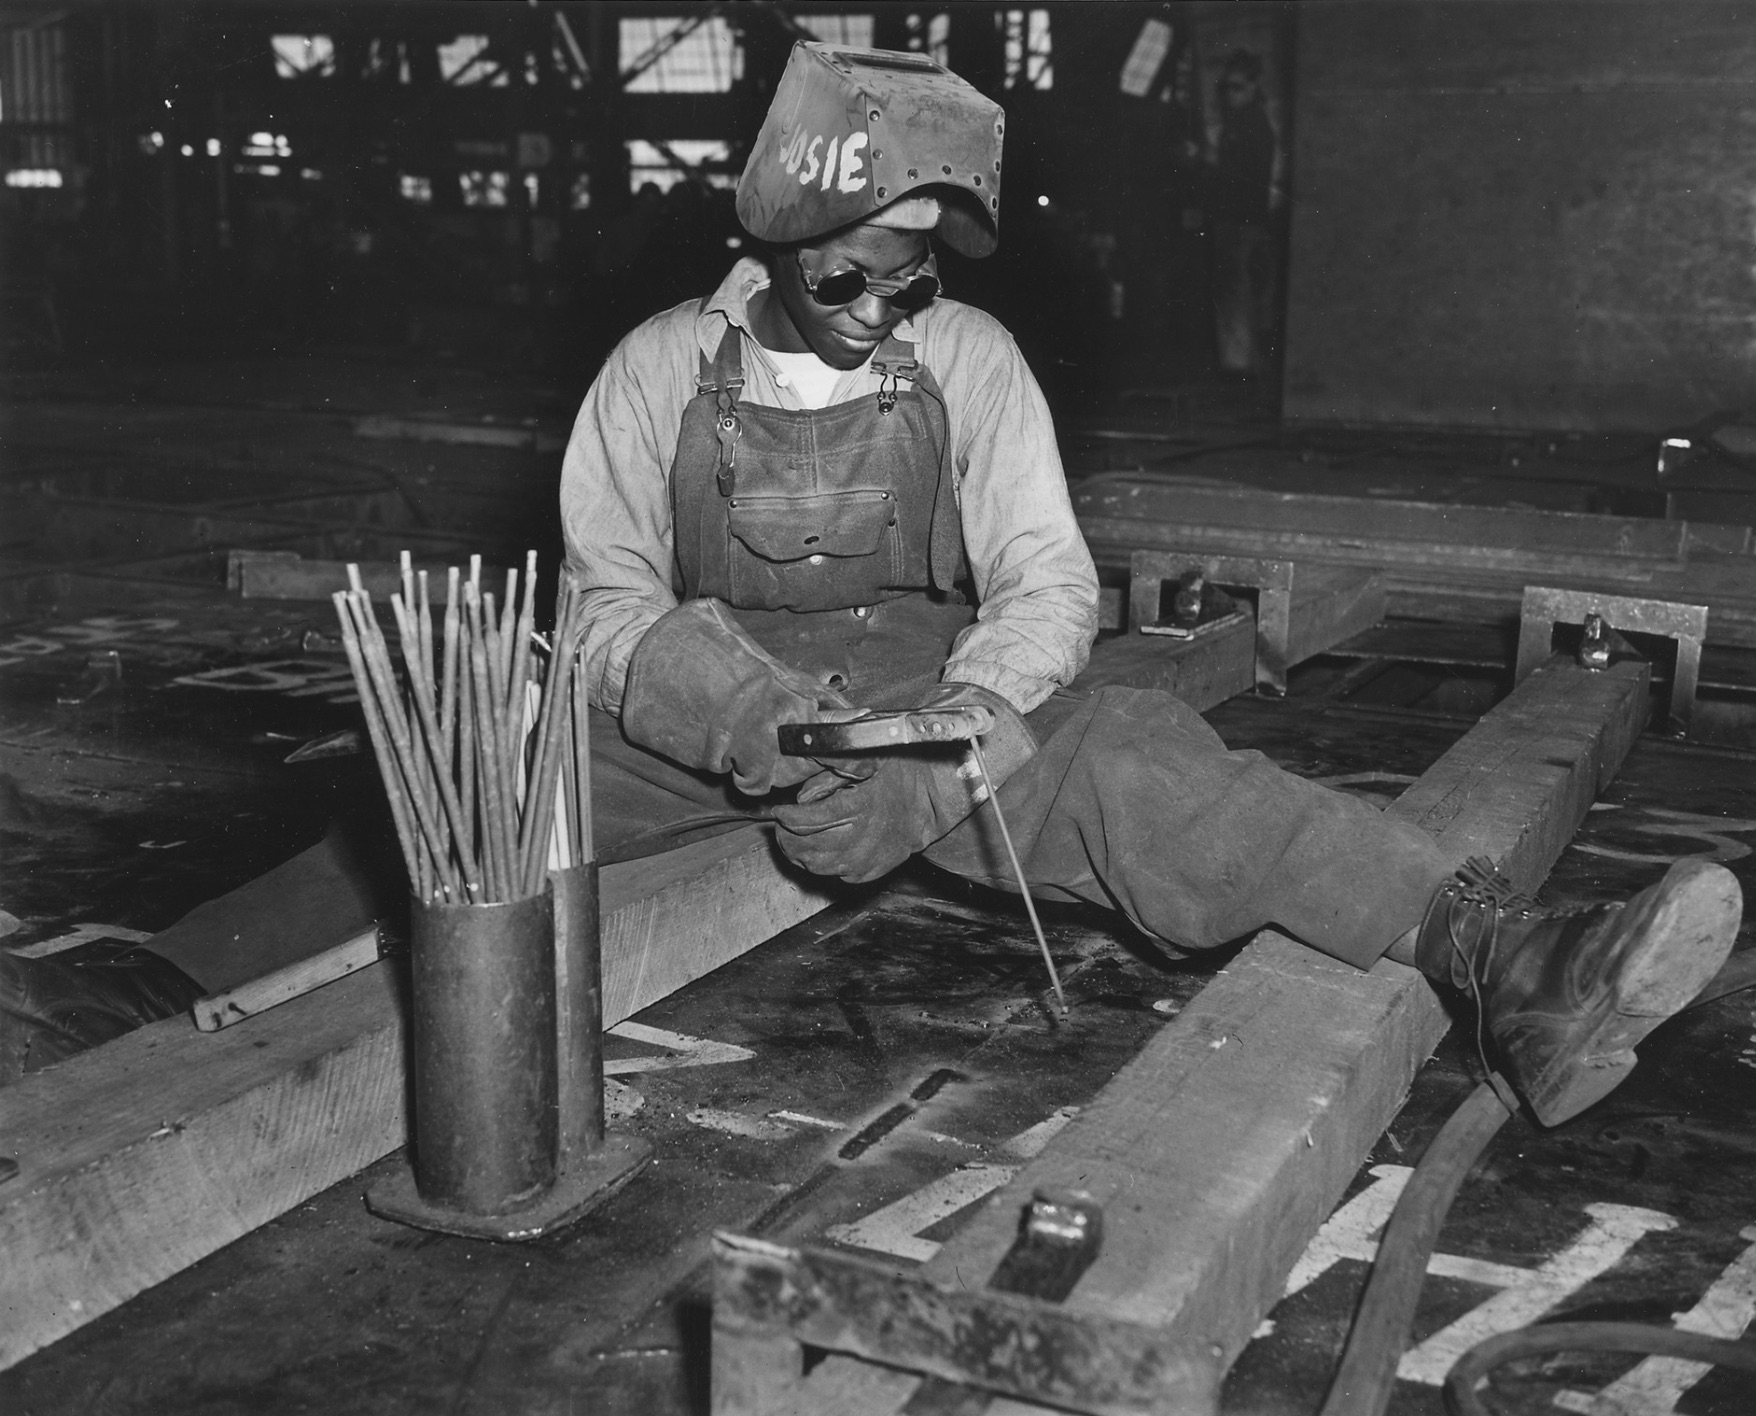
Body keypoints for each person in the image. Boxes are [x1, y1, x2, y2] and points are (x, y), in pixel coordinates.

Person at [559, 41, 1742, 1128]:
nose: (878, 314)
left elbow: (1041, 584)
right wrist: (743, 713)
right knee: (498, 778)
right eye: (845, 283)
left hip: (910, 687)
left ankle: (1517, 964)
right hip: (700, 703)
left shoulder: (970, 358)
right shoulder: (657, 369)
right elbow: (607, 607)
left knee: (1131, 758)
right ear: (776, 241)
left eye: (908, 283)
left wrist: (945, 743)